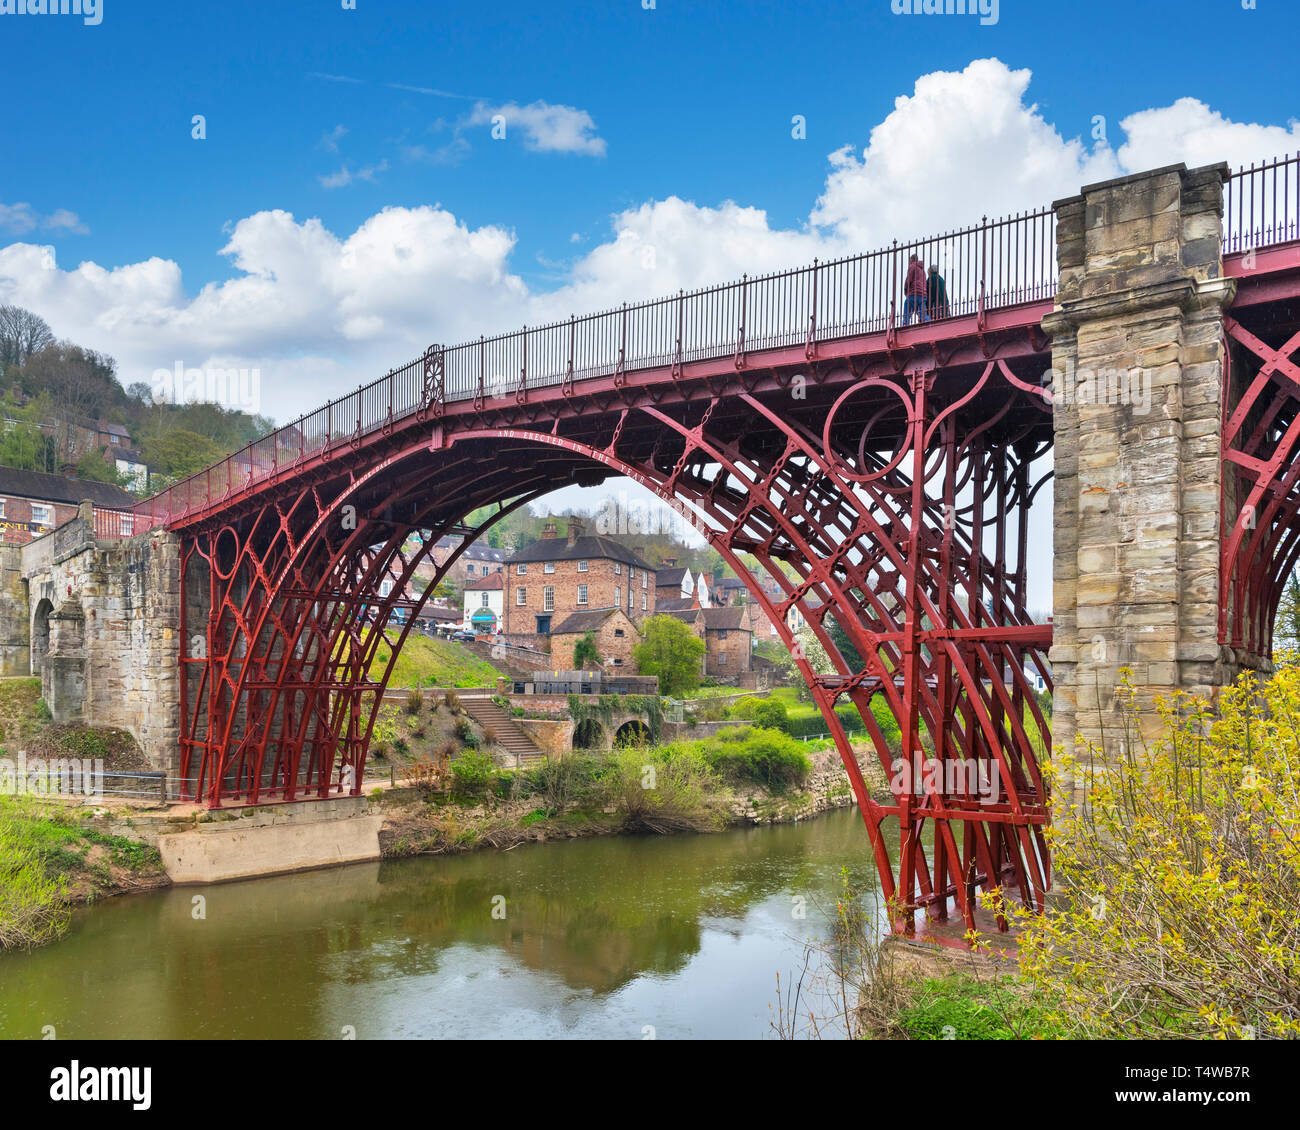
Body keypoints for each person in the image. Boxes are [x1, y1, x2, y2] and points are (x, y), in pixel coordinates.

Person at [903, 253, 927, 324]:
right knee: (922, 314)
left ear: (911, 260)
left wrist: (906, 291)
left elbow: (908, 280)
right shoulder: (923, 271)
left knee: (907, 310)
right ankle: (927, 324)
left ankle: (905, 325)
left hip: (913, 293)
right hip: (922, 294)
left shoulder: (912, 266)